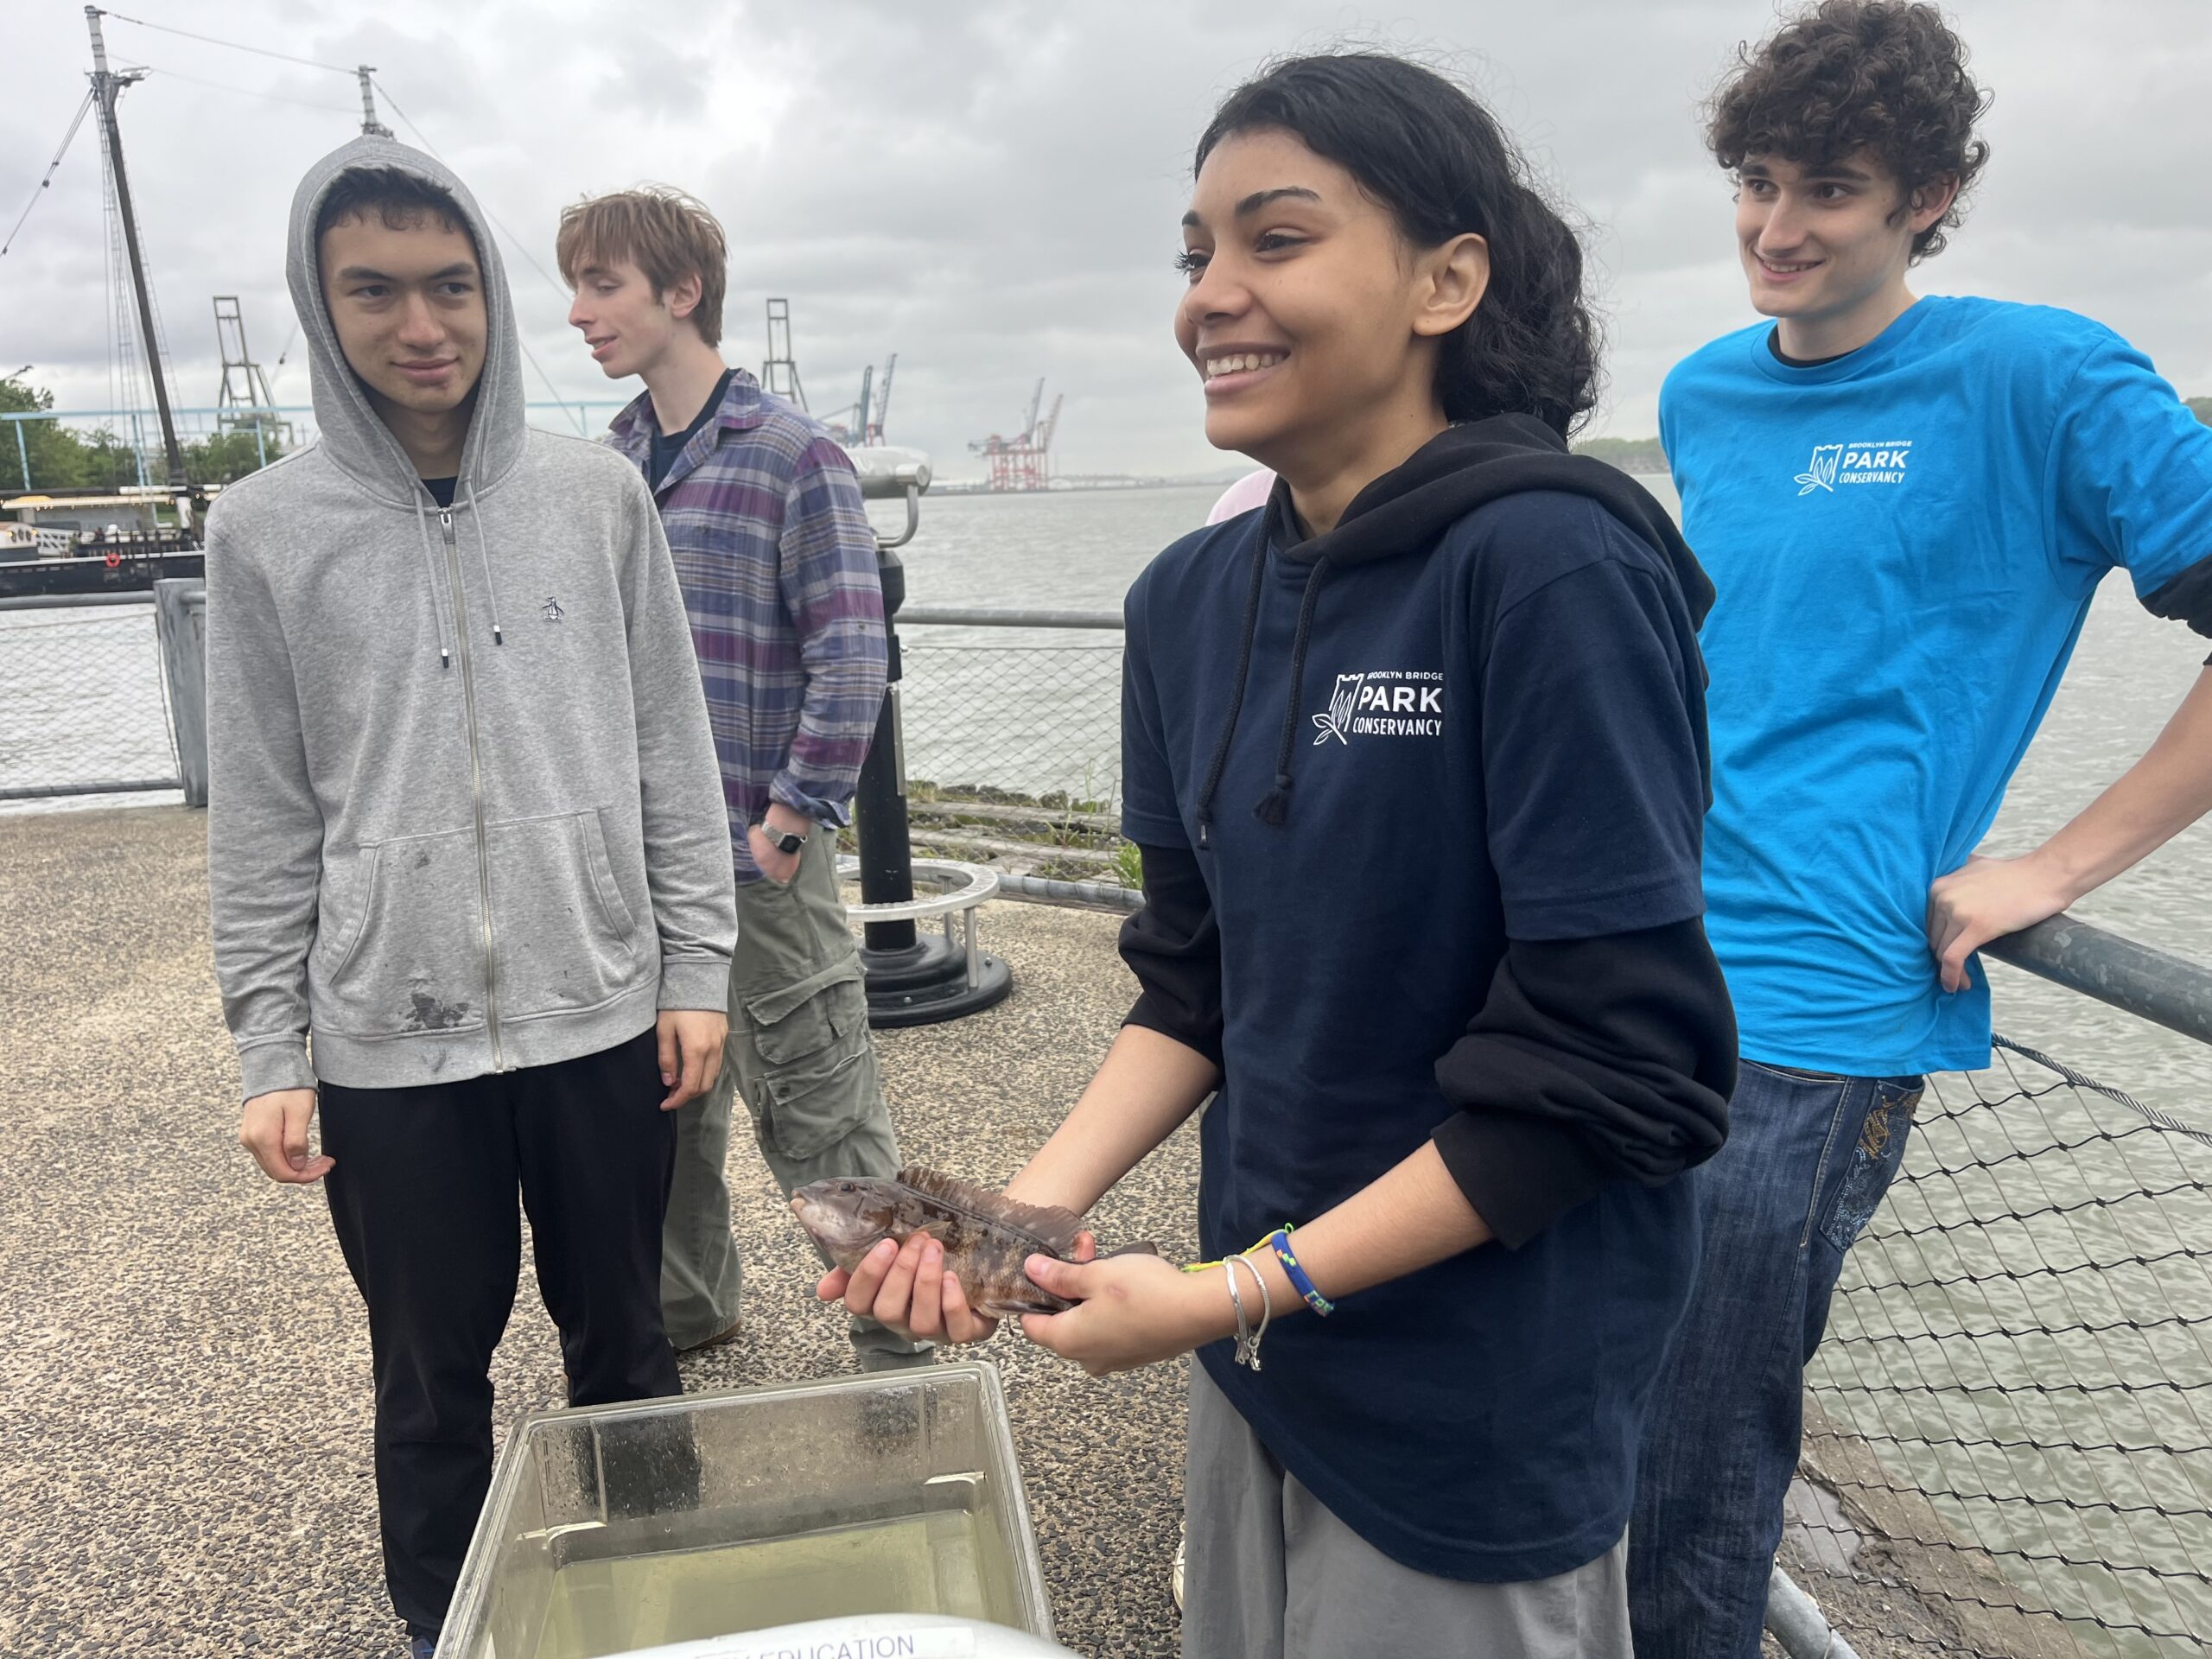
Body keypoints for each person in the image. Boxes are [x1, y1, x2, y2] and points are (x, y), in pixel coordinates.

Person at [825, 53, 1737, 1657]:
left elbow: (1621, 1072)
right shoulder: (1186, 601)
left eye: (1279, 238)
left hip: (1473, 1392)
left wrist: (1231, 1290)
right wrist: (1014, 1224)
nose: (1211, 296)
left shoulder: (1552, 566)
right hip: (1264, 1351)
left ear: (1448, 280)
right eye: (1196, 253)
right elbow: (1196, 985)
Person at [1629, 6, 2212, 1654]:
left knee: (1693, 1476)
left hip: (1816, 1020)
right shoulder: (1704, 394)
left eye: (1830, 189)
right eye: (1757, 181)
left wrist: (2054, 870)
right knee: (1578, 1390)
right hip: (1630, 966)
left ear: (1930, 198)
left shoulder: (2044, 377)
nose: (1777, 226)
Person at [206, 140, 737, 1659]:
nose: (421, 325)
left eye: (451, 286)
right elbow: (262, 813)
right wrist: (270, 1048)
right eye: (372, 290)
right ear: (321, 305)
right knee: (429, 1379)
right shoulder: (263, 530)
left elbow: (669, 748)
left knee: (627, 1344)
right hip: (388, 1036)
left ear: (492, 293)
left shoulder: (598, 494)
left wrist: (694, 968)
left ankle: (658, 1607)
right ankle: (451, 1626)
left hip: (601, 1010)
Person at [557, 188, 927, 1370]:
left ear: (683, 291)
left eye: (603, 284)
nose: (580, 312)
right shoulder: (606, 469)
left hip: (758, 856)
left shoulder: (792, 456)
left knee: (820, 1105)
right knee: (664, 1110)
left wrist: (789, 819)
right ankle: (687, 1313)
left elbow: (851, 652)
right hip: (642, 864)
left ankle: (895, 1342)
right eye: (575, 287)